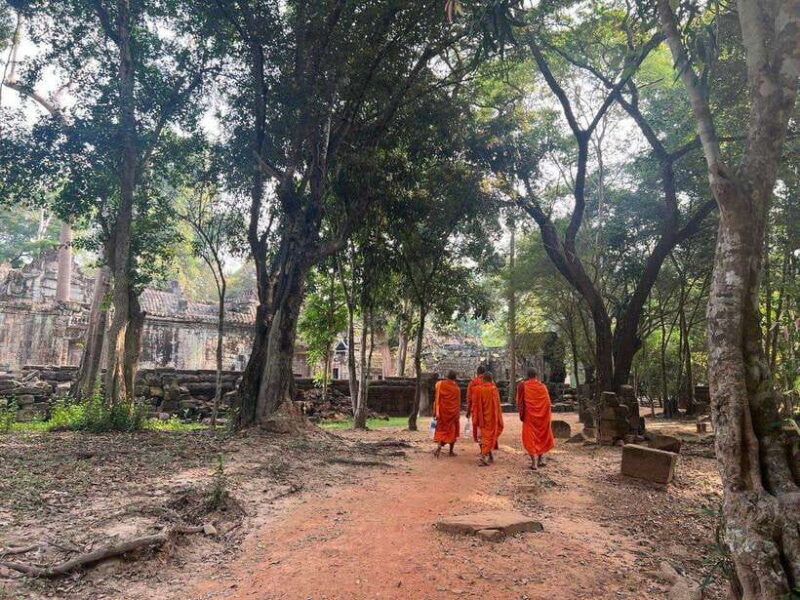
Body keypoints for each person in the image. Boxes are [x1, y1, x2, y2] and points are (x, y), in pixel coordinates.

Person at [517, 368, 555, 470]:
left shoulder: (522, 385)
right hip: (542, 416)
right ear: (536, 376)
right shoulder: (542, 386)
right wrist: (546, 417)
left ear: (527, 375)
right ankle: (540, 458)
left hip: (529, 416)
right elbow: (548, 403)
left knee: (529, 437)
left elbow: (519, 401)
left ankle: (534, 462)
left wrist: (522, 414)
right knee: (541, 436)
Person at [473, 372, 504, 466]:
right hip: (492, 418)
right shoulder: (494, 389)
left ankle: (487, 456)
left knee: (485, 438)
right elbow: (497, 406)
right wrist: (498, 417)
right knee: (490, 437)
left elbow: (475, 405)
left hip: (482, 419)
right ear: (491, 380)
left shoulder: (478, 389)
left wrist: (476, 418)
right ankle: (485, 456)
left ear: (484, 379)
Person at [433, 370, 461, 458]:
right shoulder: (457, 389)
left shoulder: (439, 384)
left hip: (442, 413)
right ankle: (451, 451)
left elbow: (436, 395)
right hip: (452, 414)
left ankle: (439, 446)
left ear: (446, 376)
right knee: (452, 431)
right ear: (455, 378)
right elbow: (457, 402)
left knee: (442, 430)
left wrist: (435, 411)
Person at [466, 365, 486, 442]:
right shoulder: (490, 382)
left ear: (477, 373)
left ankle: (478, 439)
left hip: (476, 408)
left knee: (477, 423)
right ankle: (486, 439)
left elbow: (469, 398)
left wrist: (468, 411)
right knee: (487, 424)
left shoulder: (472, 383)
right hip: (487, 408)